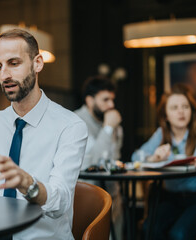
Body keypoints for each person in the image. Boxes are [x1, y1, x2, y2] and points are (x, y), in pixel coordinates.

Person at [0, 29, 88, 240]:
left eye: (14, 63)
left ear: (37, 63)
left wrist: (27, 184)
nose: (5, 75)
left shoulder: (70, 126)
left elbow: (61, 201)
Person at [132, 83, 196, 240]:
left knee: (178, 235)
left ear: (192, 111)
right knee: (149, 228)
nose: (181, 111)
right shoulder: (160, 135)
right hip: (171, 199)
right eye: (174, 108)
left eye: (185, 107)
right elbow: (136, 158)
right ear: (165, 115)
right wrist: (153, 157)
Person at [74, 76, 123, 240]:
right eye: (105, 99)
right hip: (88, 199)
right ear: (89, 100)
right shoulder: (75, 123)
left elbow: (114, 160)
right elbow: (94, 163)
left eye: (112, 100)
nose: (112, 105)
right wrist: (108, 129)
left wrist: (112, 129)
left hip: (113, 196)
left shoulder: (113, 124)